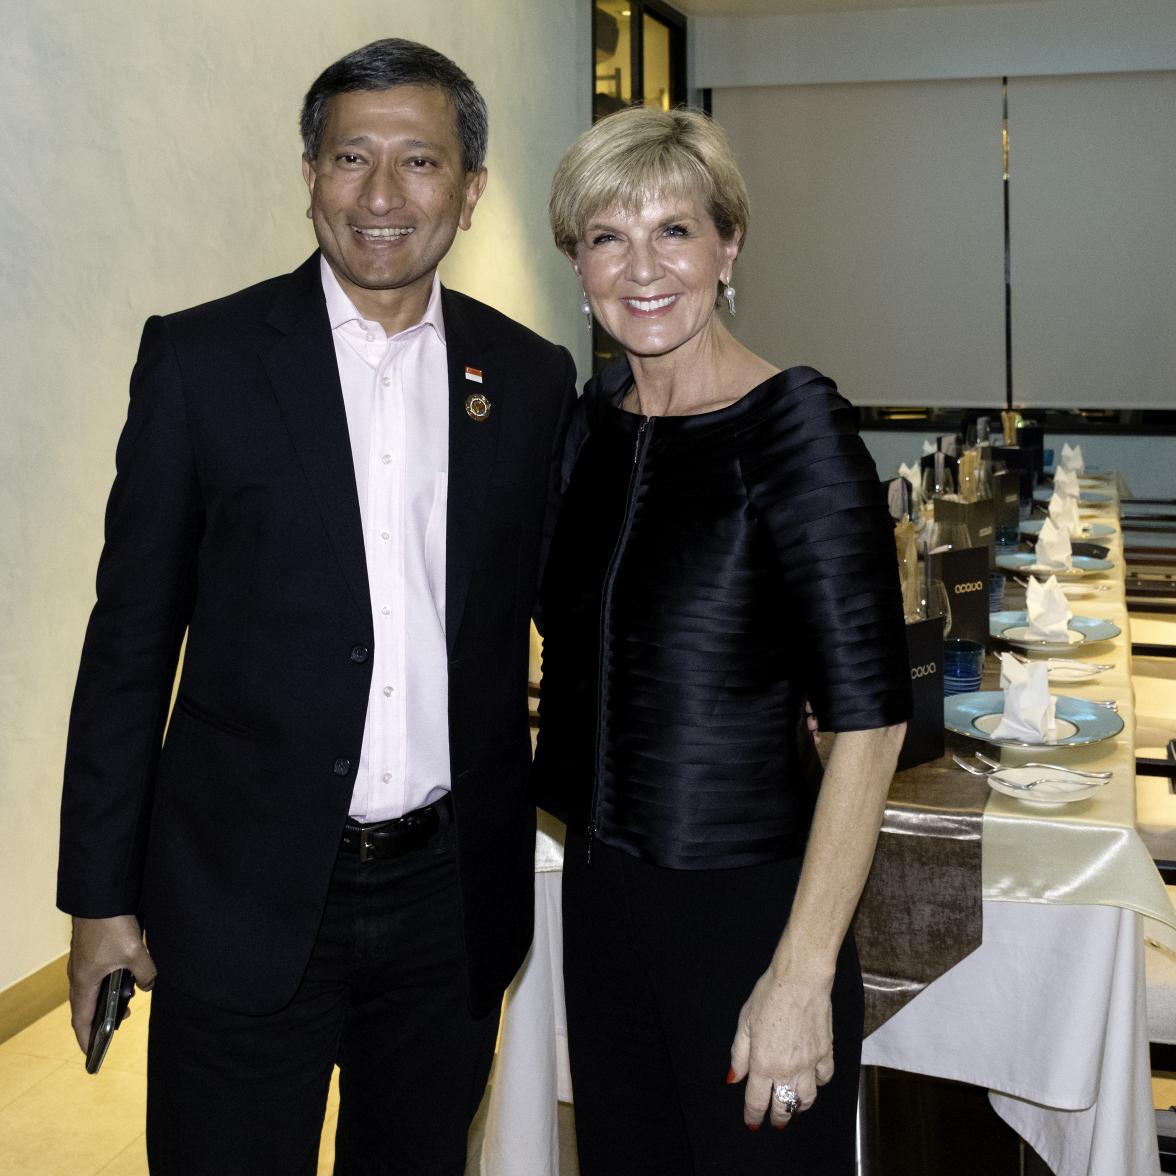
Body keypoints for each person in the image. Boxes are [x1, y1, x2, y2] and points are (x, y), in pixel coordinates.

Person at [57, 38, 575, 1175]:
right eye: (350, 157)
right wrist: (98, 901)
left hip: (450, 902)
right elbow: (128, 646)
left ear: (470, 189)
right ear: (308, 173)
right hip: (240, 895)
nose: (382, 197)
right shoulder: (203, 363)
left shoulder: (530, 380)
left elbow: (570, 614)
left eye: (419, 163)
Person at [534, 106, 911, 1175]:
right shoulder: (589, 427)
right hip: (602, 901)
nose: (641, 268)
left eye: (675, 231)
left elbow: (870, 725)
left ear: (728, 247)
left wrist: (800, 976)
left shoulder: (796, 428)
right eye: (608, 236)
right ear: (578, 264)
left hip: (751, 913)